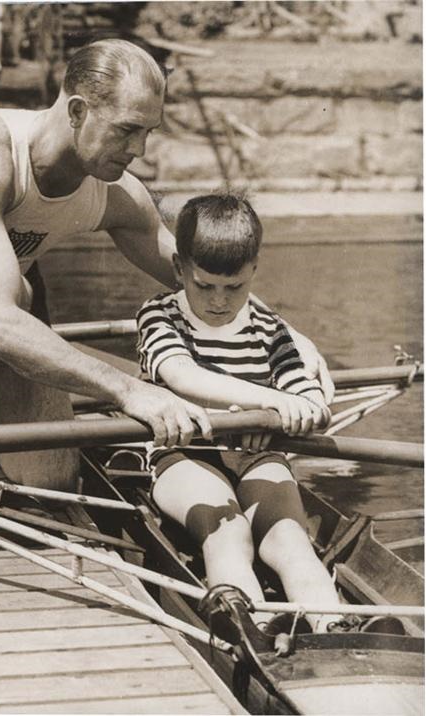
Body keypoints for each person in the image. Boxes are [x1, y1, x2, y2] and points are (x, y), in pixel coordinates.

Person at [0, 40, 328, 539]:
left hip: (7, 304)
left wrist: (291, 338)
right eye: (127, 130)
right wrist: (131, 391)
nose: (139, 150)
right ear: (78, 110)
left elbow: (201, 278)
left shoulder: (115, 192)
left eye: (148, 132)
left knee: (53, 477)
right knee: (1, 297)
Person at [136, 192, 346, 637]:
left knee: (291, 541)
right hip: (186, 454)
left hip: (257, 455)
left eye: (235, 288)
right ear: (179, 269)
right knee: (226, 532)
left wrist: (299, 410)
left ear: (253, 270)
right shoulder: (159, 315)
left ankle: (335, 624)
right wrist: (264, 403)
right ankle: (253, 627)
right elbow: (181, 375)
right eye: (204, 285)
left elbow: (307, 395)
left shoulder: (271, 329)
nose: (218, 301)